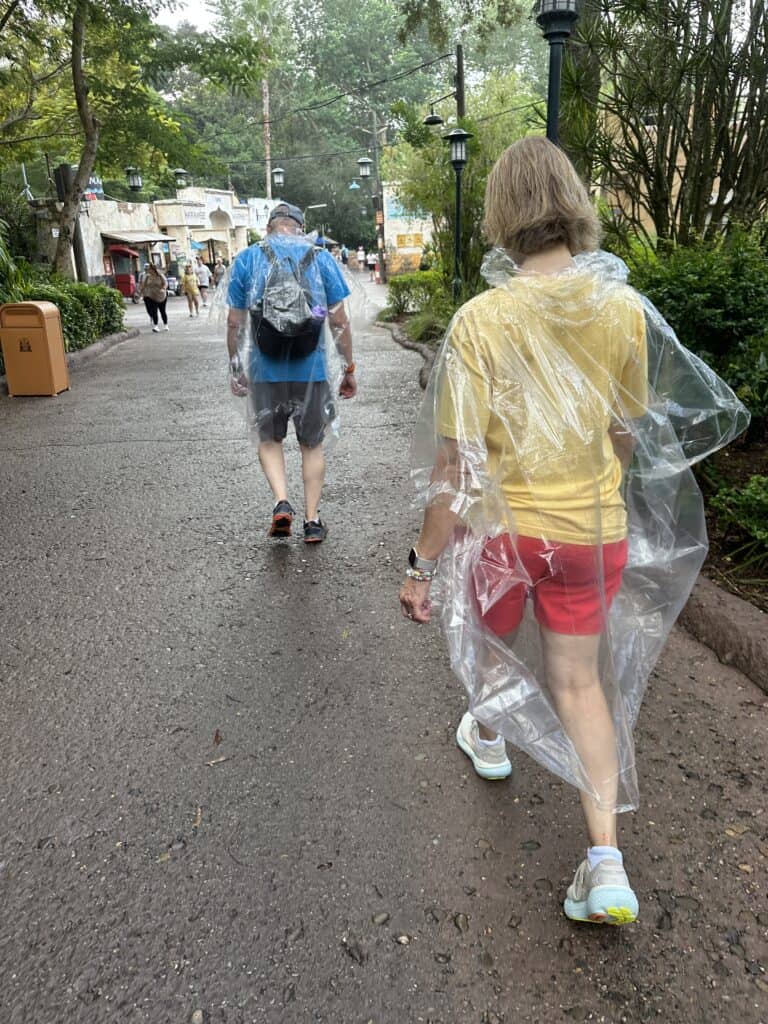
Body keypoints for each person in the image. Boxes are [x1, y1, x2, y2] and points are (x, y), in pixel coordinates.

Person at [399, 137, 747, 927]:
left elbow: (455, 469)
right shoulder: (622, 311)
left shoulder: (480, 322)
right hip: (593, 537)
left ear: (501, 214)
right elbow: (626, 433)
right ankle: (606, 865)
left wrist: (419, 565)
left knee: (489, 645)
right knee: (583, 685)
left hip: (505, 538)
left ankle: (488, 738)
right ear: (572, 204)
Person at [226, 202, 357, 543]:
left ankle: (281, 501)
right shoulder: (321, 258)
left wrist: (235, 366)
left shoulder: (248, 259)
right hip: (310, 371)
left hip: (263, 371)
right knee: (311, 445)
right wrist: (348, 368)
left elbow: (234, 322)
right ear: (301, 226)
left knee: (270, 441)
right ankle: (312, 521)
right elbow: (339, 321)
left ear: (269, 227)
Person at [137, 263, 169, 332]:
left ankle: (166, 325)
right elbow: (143, 285)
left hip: (161, 295)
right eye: (148, 269)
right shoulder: (148, 276)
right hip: (151, 295)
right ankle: (156, 326)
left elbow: (165, 283)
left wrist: (163, 288)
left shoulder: (160, 275)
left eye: (149, 269)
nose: (148, 270)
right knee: (154, 311)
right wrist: (140, 293)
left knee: (162, 311)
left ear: (153, 270)